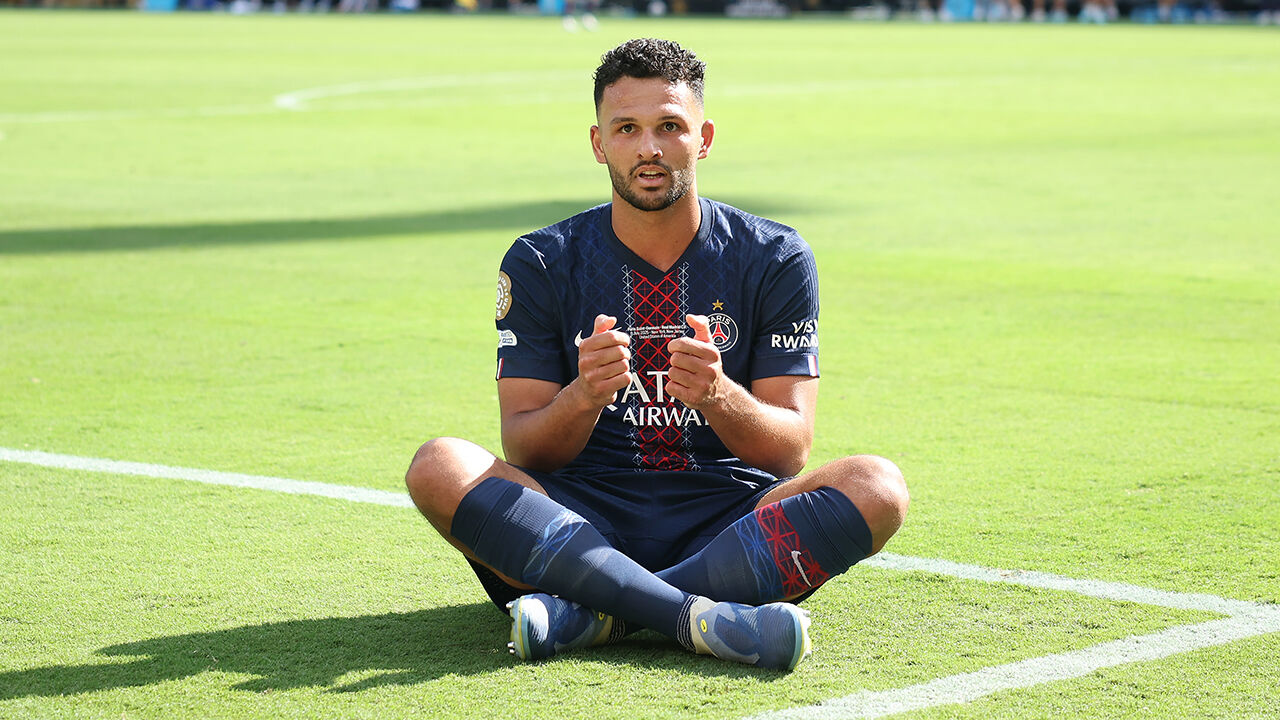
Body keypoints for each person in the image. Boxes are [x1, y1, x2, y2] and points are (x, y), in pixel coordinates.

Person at [404, 38, 909, 672]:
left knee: (878, 488)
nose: (649, 148)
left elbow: (788, 453)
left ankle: (596, 615)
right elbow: (527, 451)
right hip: (575, 520)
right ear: (598, 144)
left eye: (669, 126)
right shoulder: (541, 261)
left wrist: (719, 396)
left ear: (704, 138)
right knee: (438, 466)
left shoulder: (773, 256)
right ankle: (690, 616)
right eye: (627, 129)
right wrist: (584, 395)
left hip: (728, 521)